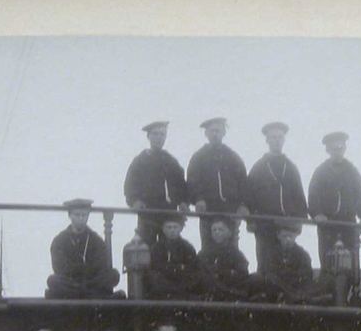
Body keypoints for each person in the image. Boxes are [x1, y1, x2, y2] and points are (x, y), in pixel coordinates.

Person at [308, 131, 361, 285]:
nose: (337, 151)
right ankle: (327, 297)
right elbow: (313, 195)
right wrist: (317, 213)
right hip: (327, 224)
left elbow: (360, 195)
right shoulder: (321, 171)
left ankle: (351, 297)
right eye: (333, 149)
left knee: (351, 262)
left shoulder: (352, 171)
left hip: (348, 223)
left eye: (340, 147)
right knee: (327, 260)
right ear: (328, 151)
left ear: (344, 148)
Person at [243, 121, 308, 273]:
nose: (277, 140)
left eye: (280, 137)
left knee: (285, 264)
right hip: (264, 225)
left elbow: (299, 196)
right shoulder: (259, 167)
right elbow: (248, 196)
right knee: (265, 263)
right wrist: (250, 220)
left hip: (286, 225)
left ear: (284, 140)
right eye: (273, 137)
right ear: (267, 141)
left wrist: (299, 220)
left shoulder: (291, 168)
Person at [186, 117, 248, 251]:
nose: (215, 134)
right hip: (208, 210)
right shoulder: (198, 157)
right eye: (212, 131)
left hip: (230, 210)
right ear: (206, 134)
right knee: (208, 246)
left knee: (231, 247)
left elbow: (243, 182)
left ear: (224, 133)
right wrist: (198, 199)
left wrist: (243, 204)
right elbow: (192, 181)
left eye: (218, 131)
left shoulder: (233, 157)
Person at [123, 121, 189, 245]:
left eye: (162, 134)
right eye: (155, 134)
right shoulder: (140, 161)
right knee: (146, 247)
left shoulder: (171, 161)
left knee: (169, 246)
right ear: (148, 137)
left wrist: (183, 201)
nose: (159, 138)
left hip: (169, 213)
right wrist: (134, 201)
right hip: (148, 213)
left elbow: (181, 185)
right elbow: (130, 186)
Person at [46, 198, 121, 300]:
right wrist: (84, 270)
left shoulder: (96, 240)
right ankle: (91, 295)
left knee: (114, 275)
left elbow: (102, 266)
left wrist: (80, 272)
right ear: (70, 216)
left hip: (90, 281)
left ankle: (79, 294)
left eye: (84, 215)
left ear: (88, 216)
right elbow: (59, 268)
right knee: (53, 280)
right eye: (77, 215)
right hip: (71, 282)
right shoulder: (59, 241)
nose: (81, 219)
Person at [197, 218, 272, 301]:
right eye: (214, 230)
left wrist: (223, 274)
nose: (217, 232)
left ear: (229, 232)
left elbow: (242, 273)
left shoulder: (236, 254)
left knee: (257, 279)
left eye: (220, 229)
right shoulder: (204, 253)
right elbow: (200, 271)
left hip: (232, 287)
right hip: (213, 287)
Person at [264, 222, 332, 305]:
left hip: (298, 286)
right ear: (279, 236)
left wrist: (289, 276)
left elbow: (306, 274)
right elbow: (270, 274)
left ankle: (298, 297)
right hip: (280, 288)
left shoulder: (302, 254)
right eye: (285, 236)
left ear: (295, 237)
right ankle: (305, 298)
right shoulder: (272, 254)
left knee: (323, 282)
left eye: (290, 236)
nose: (288, 239)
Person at [146, 212, 205, 300]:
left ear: (180, 229)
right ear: (163, 229)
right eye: (169, 227)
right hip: (161, 292)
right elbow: (153, 271)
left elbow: (193, 271)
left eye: (175, 227)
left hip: (183, 291)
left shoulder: (188, 248)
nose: (172, 230)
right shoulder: (156, 249)